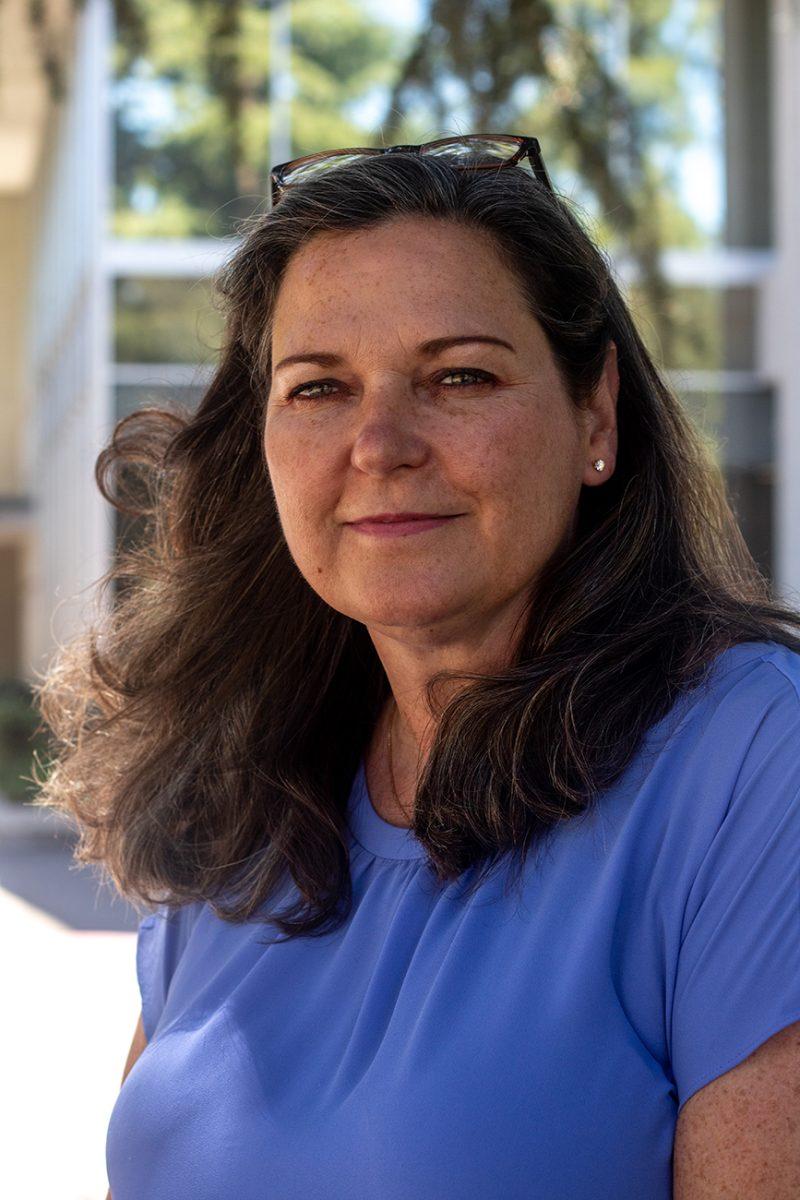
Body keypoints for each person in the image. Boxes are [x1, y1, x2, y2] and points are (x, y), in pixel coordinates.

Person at [32, 137, 799, 1199]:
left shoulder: (751, 759)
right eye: (317, 388)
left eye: (459, 376)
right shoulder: (245, 791)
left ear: (595, 414)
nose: (379, 442)